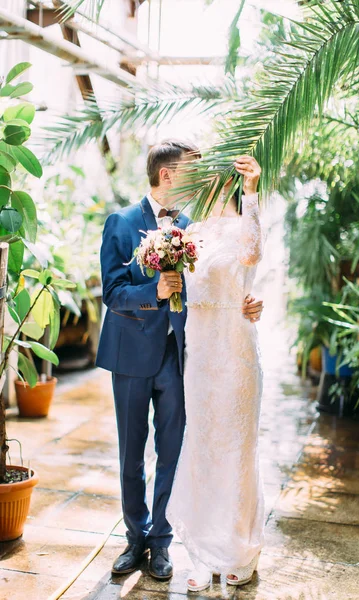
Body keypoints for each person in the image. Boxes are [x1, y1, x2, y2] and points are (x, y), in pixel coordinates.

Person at [96, 140, 264, 580]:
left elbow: (218, 280)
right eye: (191, 170)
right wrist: (153, 292)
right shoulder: (122, 222)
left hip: (179, 356)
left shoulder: (194, 227)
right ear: (167, 175)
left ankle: (161, 541)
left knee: (172, 451)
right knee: (132, 454)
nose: (199, 179)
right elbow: (112, 293)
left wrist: (246, 301)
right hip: (131, 356)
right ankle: (135, 538)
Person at [167, 155, 265, 592]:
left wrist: (252, 192)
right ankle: (203, 553)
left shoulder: (243, 223)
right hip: (201, 351)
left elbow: (252, 254)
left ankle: (238, 549)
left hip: (236, 347)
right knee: (204, 445)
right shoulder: (189, 233)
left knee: (237, 447)